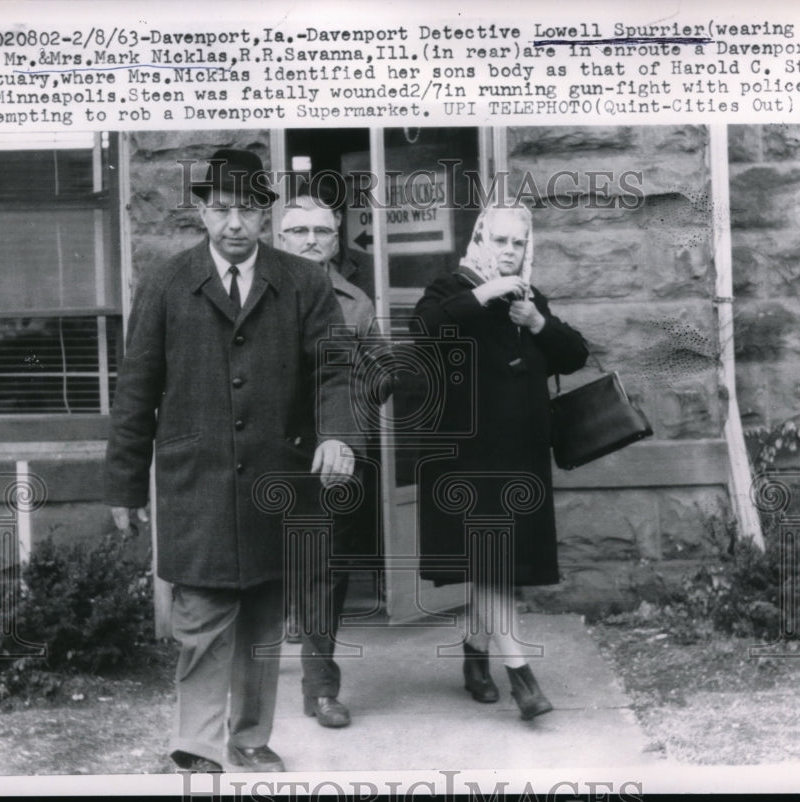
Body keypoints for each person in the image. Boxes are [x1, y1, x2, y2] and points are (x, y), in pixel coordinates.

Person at [104, 149, 359, 773]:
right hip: (199, 483)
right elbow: (136, 389)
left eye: (247, 210)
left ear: (265, 215)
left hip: (279, 477)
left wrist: (337, 434)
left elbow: (336, 368)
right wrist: (124, 485)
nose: (235, 224)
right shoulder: (168, 283)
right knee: (201, 617)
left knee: (264, 618)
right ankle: (196, 744)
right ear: (202, 212)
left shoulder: (302, 282)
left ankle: (249, 737)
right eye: (222, 210)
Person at [413, 204, 588, 720]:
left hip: (520, 457)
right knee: (491, 564)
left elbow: (575, 355)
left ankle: (473, 653)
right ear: (480, 241)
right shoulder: (449, 289)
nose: (509, 251)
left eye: (518, 243)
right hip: (467, 458)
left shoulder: (531, 299)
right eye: (500, 241)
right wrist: (484, 294)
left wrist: (537, 322)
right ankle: (521, 677)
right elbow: (424, 329)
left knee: (498, 566)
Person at [277, 193, 391, 729]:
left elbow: (388, 372)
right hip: (267, 452)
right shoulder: (256, 296)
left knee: (325, 568)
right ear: (279, 238)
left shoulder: (356, 302)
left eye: (322, 231)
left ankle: (320, 688)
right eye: (298, 231)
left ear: (336, 237)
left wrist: (351, 407)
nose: (311, 241)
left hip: (335, 456)